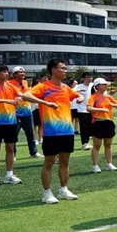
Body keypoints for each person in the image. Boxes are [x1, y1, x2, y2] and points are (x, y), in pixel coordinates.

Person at [22, 59, 82, 204]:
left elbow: (76, 95)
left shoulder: (65, 87)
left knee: (65, 161)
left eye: (65, 68)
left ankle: (63, 190)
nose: (65, 71)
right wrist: (45, 103)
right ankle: (47, 193)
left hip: (67, 130)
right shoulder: (43, 86)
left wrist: (79, 97)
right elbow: (25, 95)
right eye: (62, 68)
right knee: (49, 162)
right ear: (53, 70)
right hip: (51, 131)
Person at [87, 78, 117, 174]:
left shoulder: (108, 97)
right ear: (97, 86)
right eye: (103, 84)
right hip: (98, 122)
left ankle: (109, 163)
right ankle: (95, 165)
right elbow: (89, 108)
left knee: (108, 145)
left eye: (106, 84)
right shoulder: (93, 97)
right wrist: (101, 110)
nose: (105, 86)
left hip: (108, 122)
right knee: (97, 145)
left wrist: (113, 104)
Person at [9, 67, 41, 158]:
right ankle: (13, 154)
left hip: (27, 112)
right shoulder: (9, 84)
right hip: (15, 113)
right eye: (20, 72)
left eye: (23, 72)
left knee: (30, 133)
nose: (23, 73)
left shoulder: (25, 83)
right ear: (14, 74)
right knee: (14, 134)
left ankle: (33, 152)